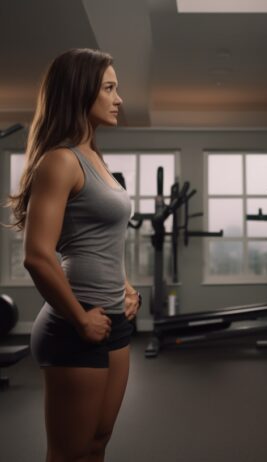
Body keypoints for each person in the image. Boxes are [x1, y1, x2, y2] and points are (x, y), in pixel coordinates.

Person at [7, 48, 141, 462]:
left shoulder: (96, 159)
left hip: (113, 318)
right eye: (109, 88)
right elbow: (38, 255)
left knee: (98, 441)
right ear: (81, 93)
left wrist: (125, 284)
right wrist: (80, 318)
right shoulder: (60, 161)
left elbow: (94, 240)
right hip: (74, 319)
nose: (119, 99)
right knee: (69, 452)